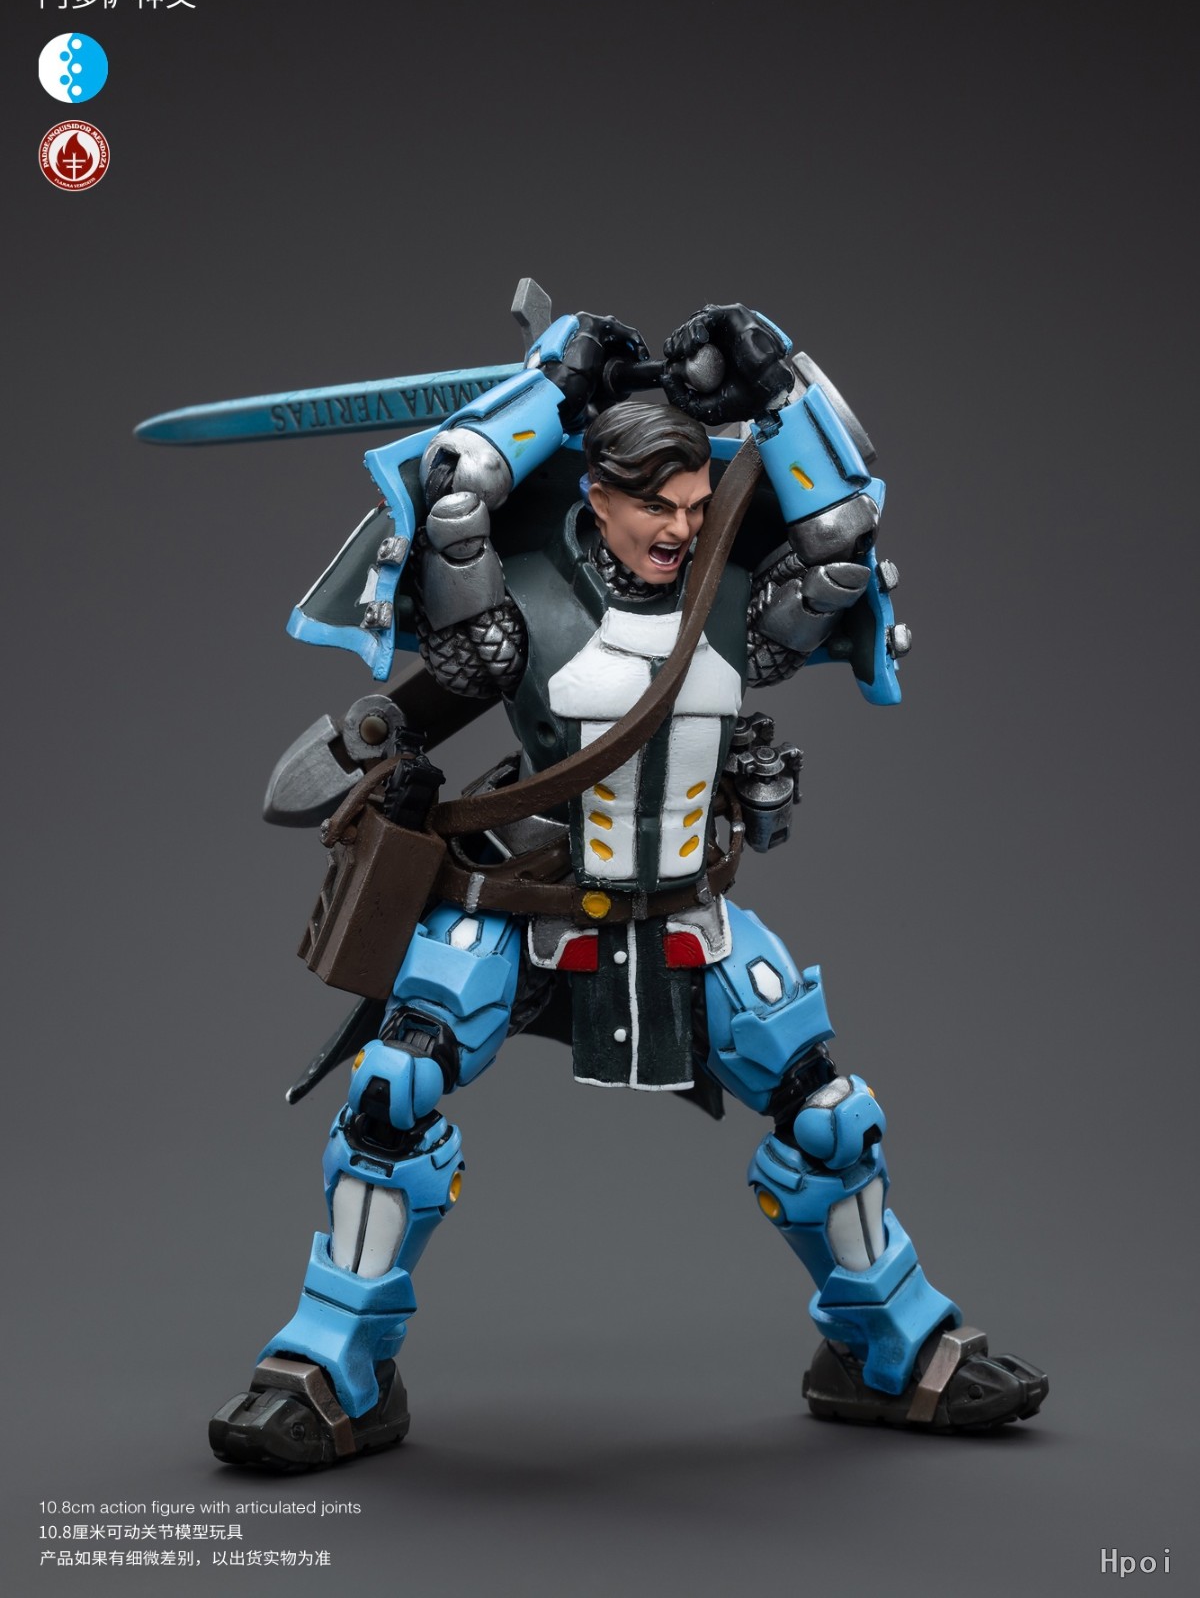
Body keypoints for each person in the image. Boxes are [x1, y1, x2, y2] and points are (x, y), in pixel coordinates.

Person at [210, 303, 1046, 1469]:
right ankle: (333, 1364)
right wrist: (554, 383)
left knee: (829, 1111)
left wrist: (774, 380)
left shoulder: (735, 614)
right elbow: (453, 490)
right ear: (595, 494)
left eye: (698, 506)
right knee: (393, 1092)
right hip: (525, 908)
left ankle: (887, 1346)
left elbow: (844, 535)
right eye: (657, 505)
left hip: (686, 917)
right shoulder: (517, 617)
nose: (682, 528)